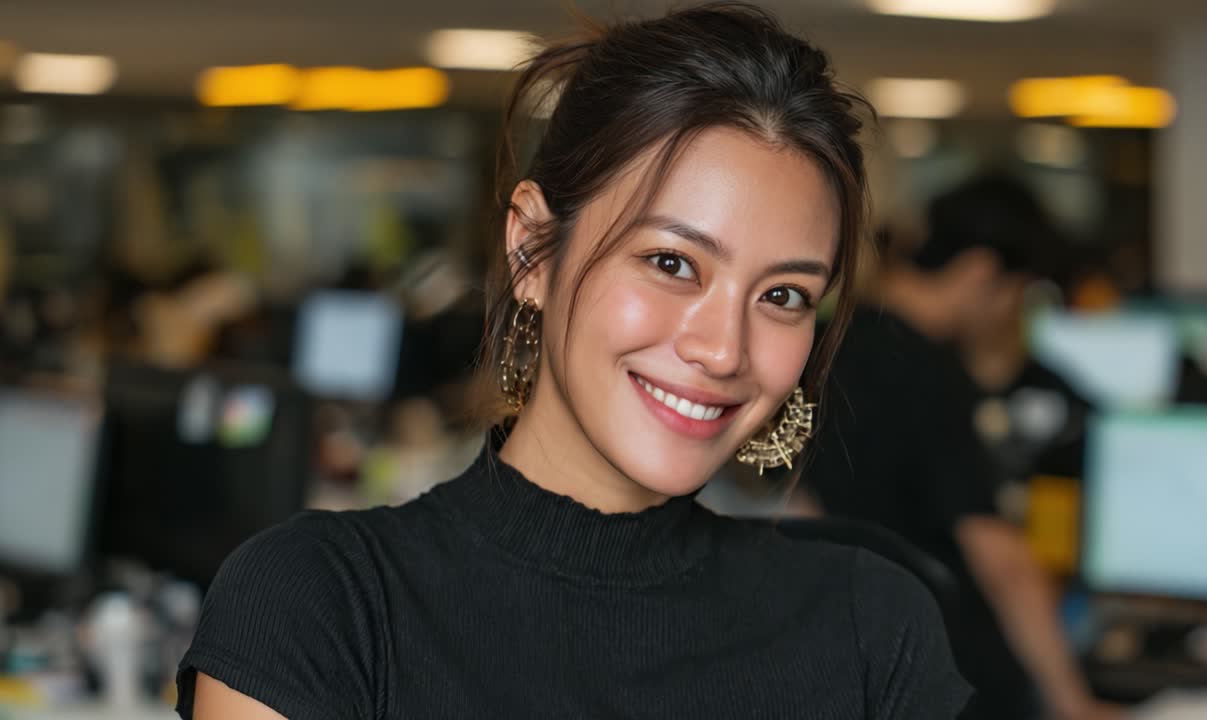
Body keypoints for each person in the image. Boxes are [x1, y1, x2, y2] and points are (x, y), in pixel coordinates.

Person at [176, 4, 971, 719]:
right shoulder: (324, 603)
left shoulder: (870, 626)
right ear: (532, 251)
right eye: (671, 264)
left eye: (785, 296)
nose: (724, 348)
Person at [805, 175, 1123, 719]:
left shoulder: (825, 342)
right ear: (980, 273)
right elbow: (998, 558)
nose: (1012, 316)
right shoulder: (931, 371)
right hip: (945, 670)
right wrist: (1073, 704)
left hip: (852, 654)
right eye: (1018, 294)